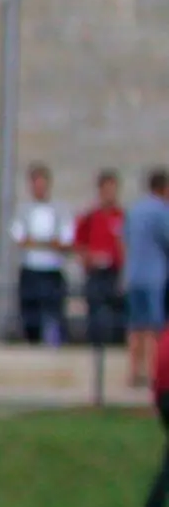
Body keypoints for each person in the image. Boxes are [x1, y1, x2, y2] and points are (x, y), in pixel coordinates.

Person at [11, 163, 71, 346]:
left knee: (54, 313)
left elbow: (64, 241)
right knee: (30, 314)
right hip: (31, 268)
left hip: (52, 269)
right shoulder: (23, 210)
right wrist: (46, 243)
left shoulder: (59, 210)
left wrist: (40, 242)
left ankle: (54, 345)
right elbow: (21, 239)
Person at [75, 170, 130, 350]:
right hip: (96, 272)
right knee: (96, 312)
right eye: (106, 189)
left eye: (113, 189)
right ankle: (95, 347)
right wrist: (89, 258)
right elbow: (79, 244)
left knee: (118, 312)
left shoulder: (122, 216)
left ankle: (116, 346)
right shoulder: (90, 217)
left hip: (115, 272)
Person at [127, 168, 169, 393]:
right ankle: (155, 373)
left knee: (135, 327)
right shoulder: (161, 211)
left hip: (133, 275)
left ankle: (134, 372)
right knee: (154, 327)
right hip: (154, 276)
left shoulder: (135, 210)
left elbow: (125, 240)